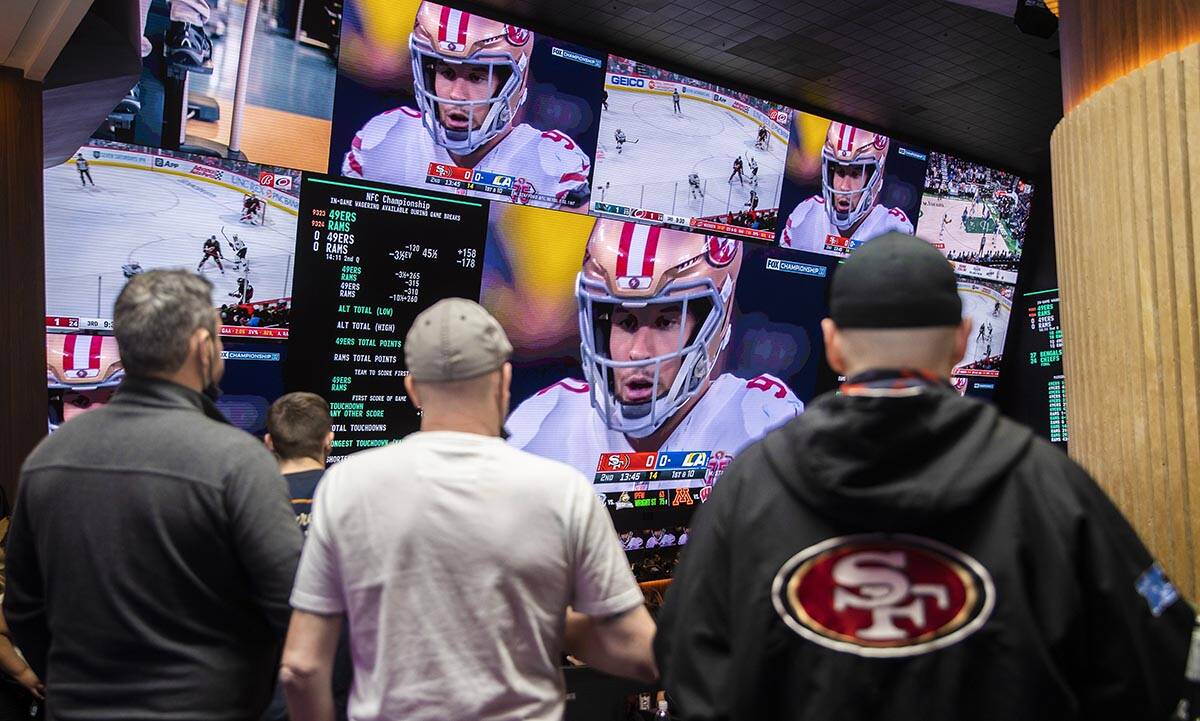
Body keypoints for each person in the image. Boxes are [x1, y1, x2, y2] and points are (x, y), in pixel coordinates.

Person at [655, 234, 1200, 721]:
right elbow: (1153, 658)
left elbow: (687, 669)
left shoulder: (749, 484)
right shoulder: (1048, 483)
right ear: (962, 339)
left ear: (833, 342)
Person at [281, 298, 656, 721]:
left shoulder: (347, 485)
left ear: (413, 389)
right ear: (504, 379)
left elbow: (301, 667)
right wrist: (542, 617)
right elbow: (639, 651)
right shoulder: (562, 491)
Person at [5, 270, 303, 720]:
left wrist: (82, 682)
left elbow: (24, 609)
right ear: (203, 348)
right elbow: (291, 605)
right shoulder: (238, 461)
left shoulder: (48, 459)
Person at [506, 220, 804, 479]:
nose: (639, 352)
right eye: (626, 321)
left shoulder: (757, 421)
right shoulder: (545, 423)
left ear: (711, 326)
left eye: (665, 322)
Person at [342, 3, 591, 211]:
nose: (457, 95)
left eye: (476, 77)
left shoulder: (551, 165)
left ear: (513, 82)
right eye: (447, 72)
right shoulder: (384, 140)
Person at [260, 393, 351, 721]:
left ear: (269, 442)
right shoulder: (354, 497)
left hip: (263, 689)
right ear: (329, 439)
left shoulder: (247, 500)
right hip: (341, 685)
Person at [780, 122, 913, 255]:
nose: (844, 187)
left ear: (876, 177)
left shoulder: (894, 230)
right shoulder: (805, 216)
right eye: (840, 172)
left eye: (856, 174)